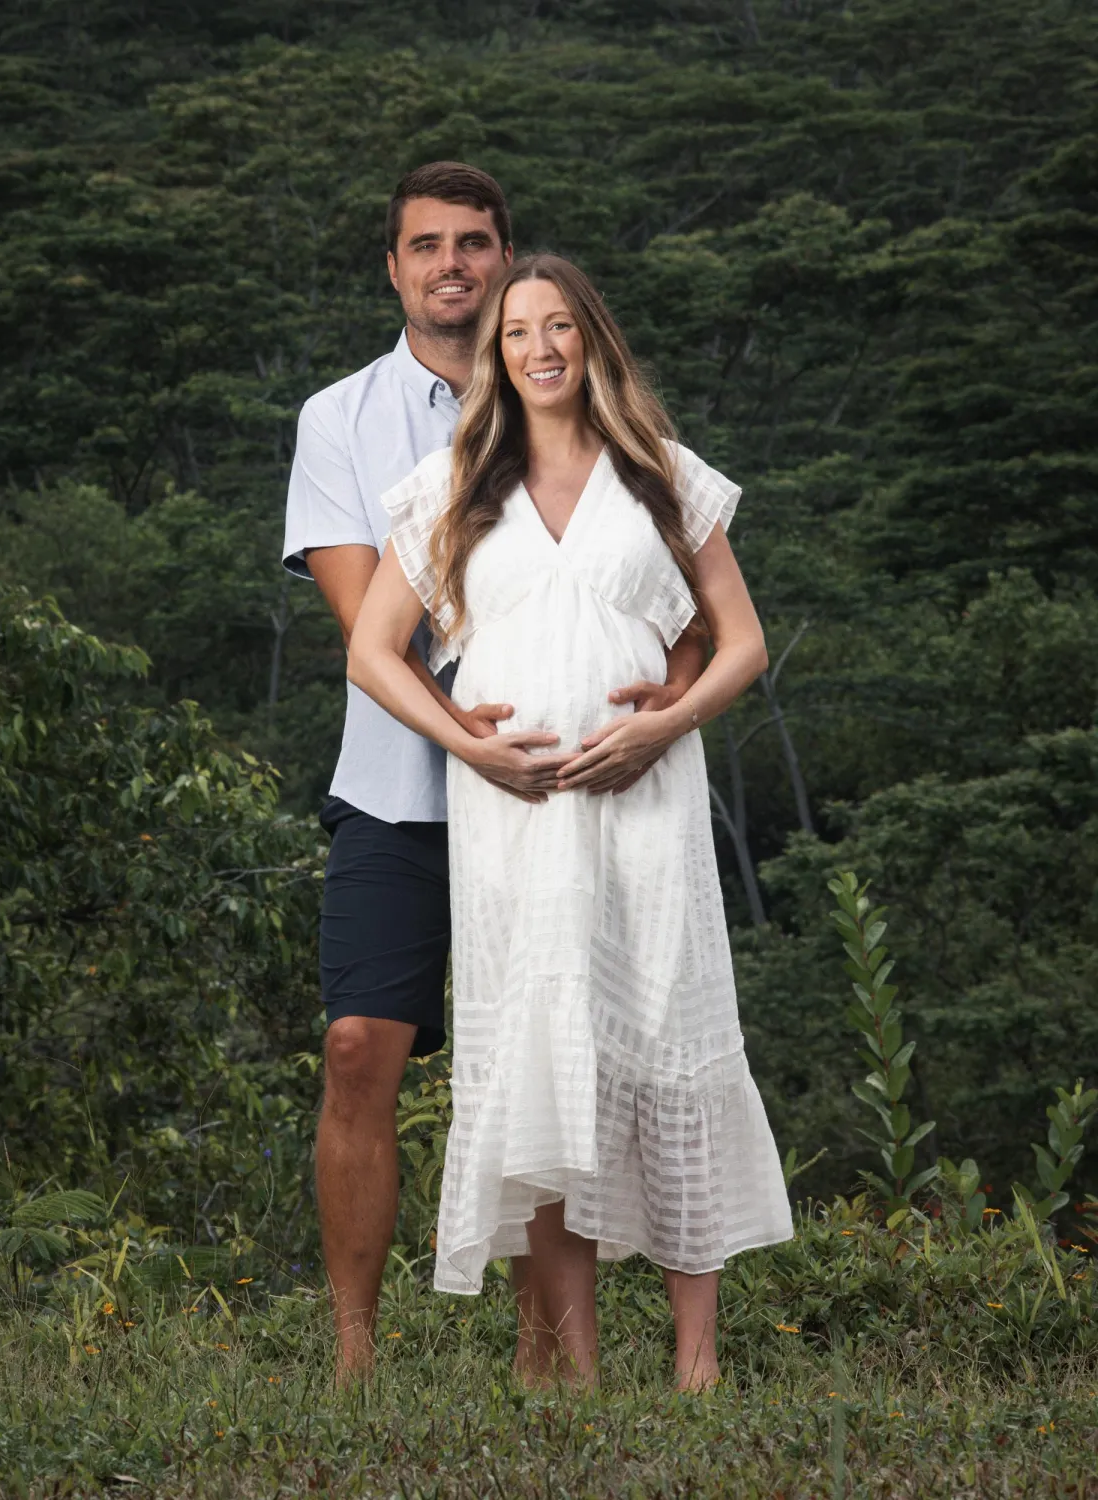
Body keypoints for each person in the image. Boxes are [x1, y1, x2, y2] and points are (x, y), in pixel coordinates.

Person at [283, 167, 708, 1384]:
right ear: (395, 268)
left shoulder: (567, 398)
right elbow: (372, 619)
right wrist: (481, 729)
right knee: (361, 1042)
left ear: (513, 262)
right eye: (428, 246)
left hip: (566, 790)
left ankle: (547, 1350)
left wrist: (648, 694)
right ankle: (354, 1355)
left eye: (477, 244)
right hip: (408, 789)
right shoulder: (342, 420)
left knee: (548, 1047)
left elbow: (668, 580)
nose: (453, 266)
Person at [347, 253, 794, 1392]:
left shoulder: (661, 476)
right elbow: (371, 649)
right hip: (515, 817)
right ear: (495, 359)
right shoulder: (456, 480)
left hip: (649, 796)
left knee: (671, 1034)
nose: (538, 349)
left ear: (593, 341)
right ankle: (578, 1371)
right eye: (514, 334)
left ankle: (699, 1363)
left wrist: (668, 722)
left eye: (558, 328)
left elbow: (739, 639)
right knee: (550, 1060)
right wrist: (468, 744)